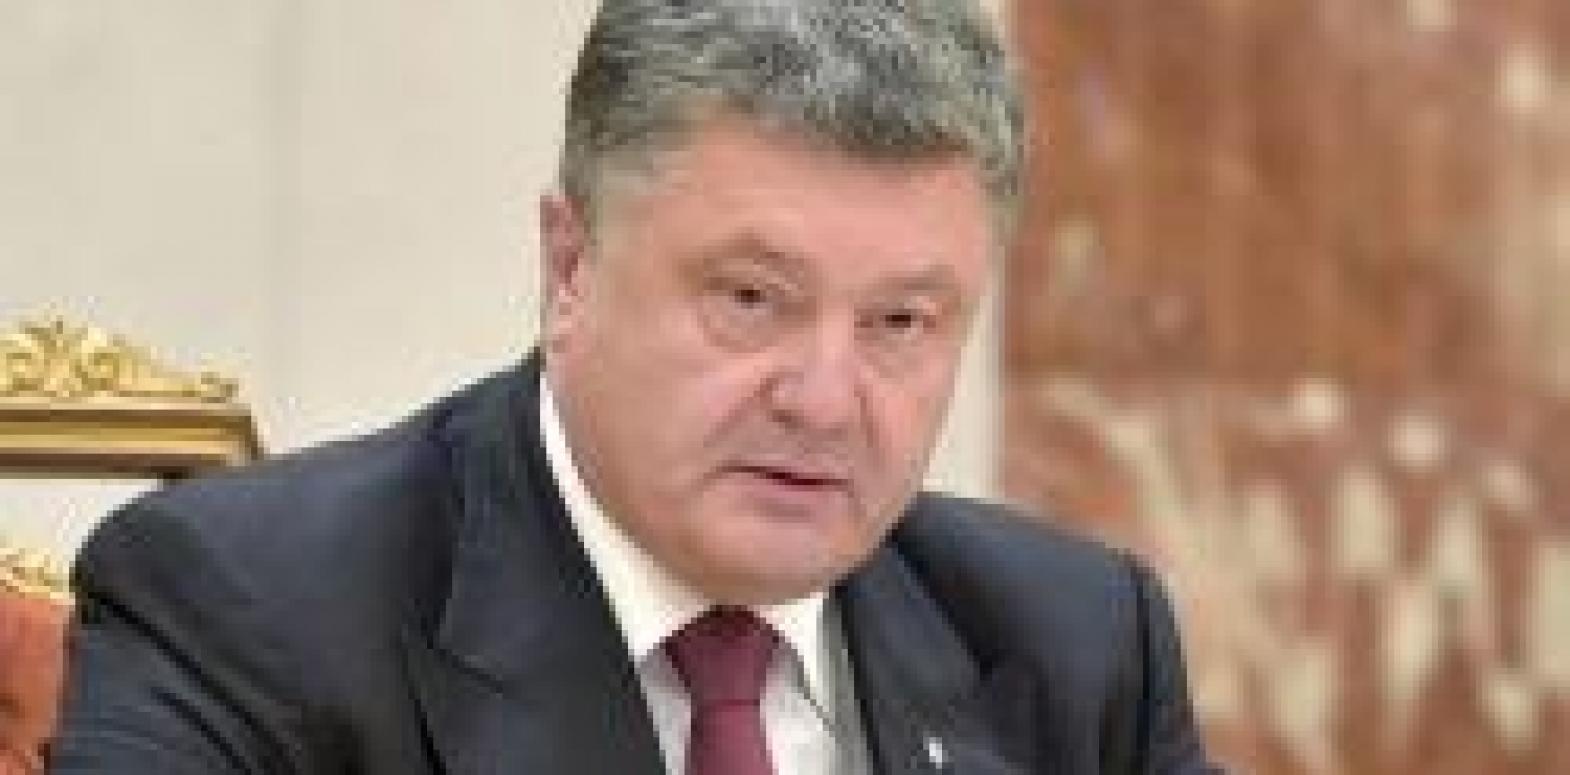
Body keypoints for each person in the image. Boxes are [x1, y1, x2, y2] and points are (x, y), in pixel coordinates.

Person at [49, 1, 1218, 773]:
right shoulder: (249, 609)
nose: (823, 400)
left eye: (899, 322)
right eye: (751, 298)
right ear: (569, 268)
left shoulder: (1077, 645)